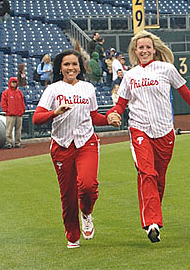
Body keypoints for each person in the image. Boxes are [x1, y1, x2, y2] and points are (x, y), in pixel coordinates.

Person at [105, 30, 190, 243]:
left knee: (159, 179)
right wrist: (113, 114)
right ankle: (152, 222)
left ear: (154, 49)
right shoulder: (130, 75)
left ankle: (153, 213)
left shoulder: (167, 69)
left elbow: (187, 95)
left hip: (165, 131)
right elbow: (121, 104)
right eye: (140, 48)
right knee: (147, 173)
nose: (144, 51)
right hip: (139, 129)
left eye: (147, 47)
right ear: (135, 51)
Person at [32, 49, 120, 249]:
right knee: (68, 193)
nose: (71, 68)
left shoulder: (88, 88)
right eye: (66, 64)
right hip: (62, 145)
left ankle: (87, 213)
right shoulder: (53, 89)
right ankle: (72, 235)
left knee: (88, 185)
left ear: (80, 67)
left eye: (74, 64)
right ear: (60, 68)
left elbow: (93, 116)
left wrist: (108, 118)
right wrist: (55, 112)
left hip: (86, 142)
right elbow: (37, 118)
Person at [0, 77, 25, 149]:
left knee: (18, 130)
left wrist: (22, 110)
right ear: (10, 83)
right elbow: (3, 103)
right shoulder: (6, 92)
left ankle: (18, 143)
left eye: (15, 82)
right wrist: (7, 110)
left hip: (19, 114)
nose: (14, 83)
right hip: (10, 115)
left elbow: (22, 102)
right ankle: (9, 143)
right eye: (13, 82)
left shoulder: (19, 92)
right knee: (9, 130)